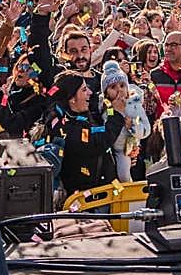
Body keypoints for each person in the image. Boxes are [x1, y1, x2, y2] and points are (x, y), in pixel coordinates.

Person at [39, 70, 125, 198]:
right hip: (85, 202)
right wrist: (117, 115)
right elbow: (98, 142)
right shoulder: (62, 126)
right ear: (72, 98)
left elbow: (101, 131)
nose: (90, 93)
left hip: (105, 192)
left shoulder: (82, 114)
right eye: (84, 90)